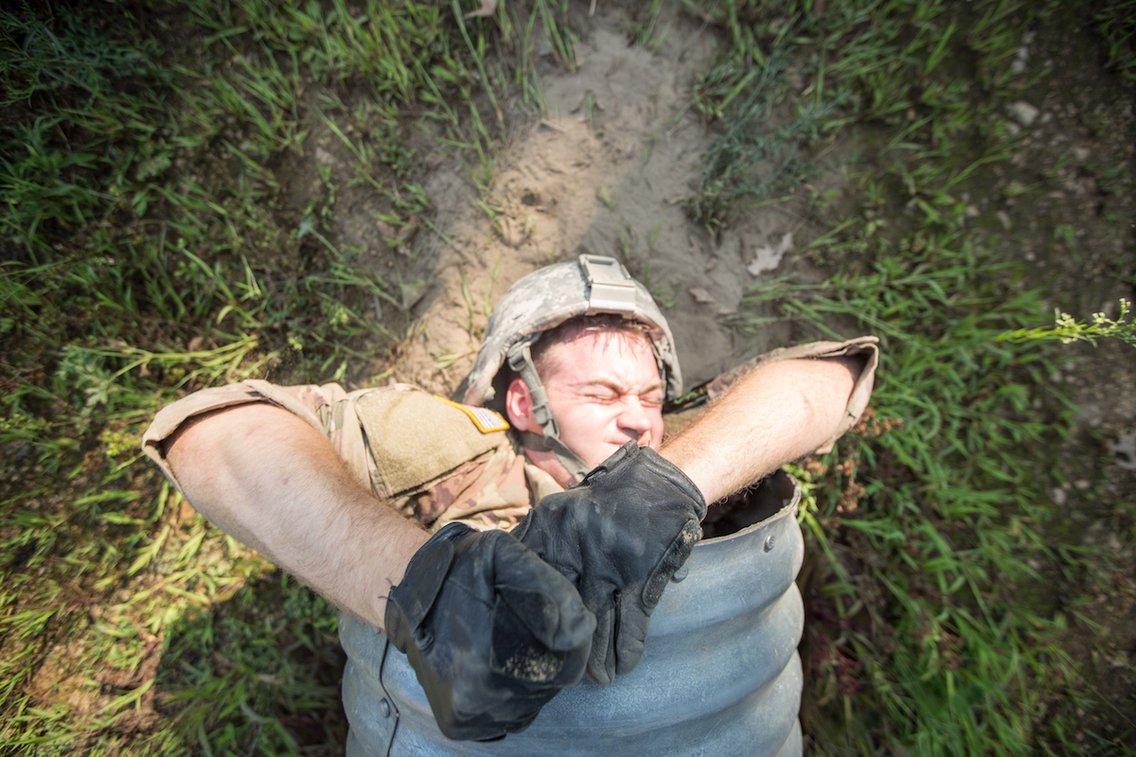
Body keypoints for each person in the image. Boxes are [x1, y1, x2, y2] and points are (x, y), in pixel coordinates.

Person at [142, 254, 878, 742]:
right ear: (523, 401)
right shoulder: (453, 447)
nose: (639, 416)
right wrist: (431, 591)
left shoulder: (673, 444)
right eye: (603, 393)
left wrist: (668, 485)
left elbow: (835, 378)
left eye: (652, 395)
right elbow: (210, 433)